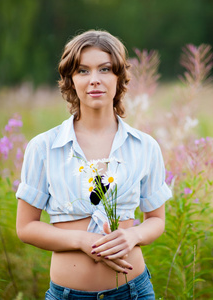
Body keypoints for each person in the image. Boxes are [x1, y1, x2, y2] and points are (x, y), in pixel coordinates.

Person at [15, 30, 172, 299]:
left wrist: (132, 236)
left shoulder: (145, 146)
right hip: (67, 295)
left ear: (119, 77)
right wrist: (83, 241)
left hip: (133, 292)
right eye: (83, 71)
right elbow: (26, 227)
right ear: (70, 80)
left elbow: (156, 220)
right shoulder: (44, 147)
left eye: (105, 69)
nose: (95, 80)